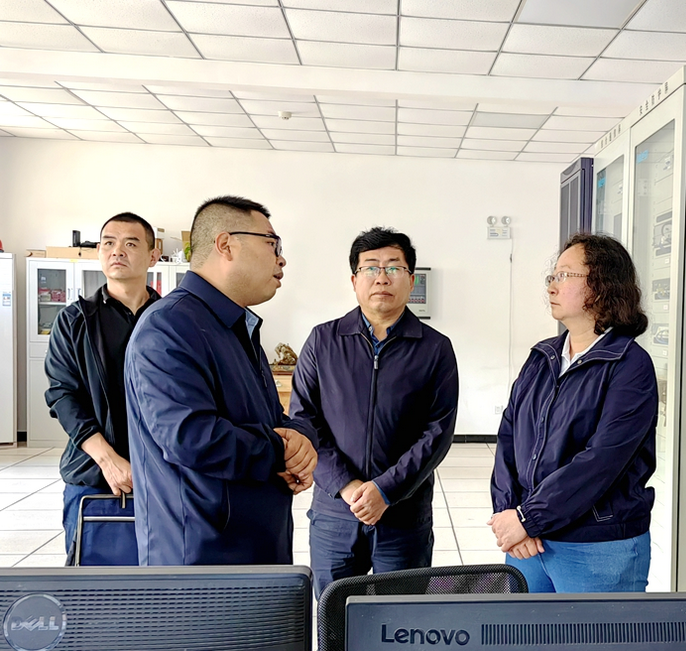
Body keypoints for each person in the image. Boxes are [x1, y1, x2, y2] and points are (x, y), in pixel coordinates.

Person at [125, 195, 317, 565]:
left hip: (253, 542)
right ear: (226, 244)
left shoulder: (235, 326)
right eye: (272, 244)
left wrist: (299, 440)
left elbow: (265, 420)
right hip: (203, 558)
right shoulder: (169, 326)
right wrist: (280, 450)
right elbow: (190, 437)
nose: (281, 259)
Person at [290, 227, 458, 596]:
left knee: (400, 617)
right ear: (354, 280)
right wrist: (346, 485)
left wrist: (385, 490)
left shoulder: (435, 349)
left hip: (403, 514)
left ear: (411, 280)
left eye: (394, 267)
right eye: (370, 268)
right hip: (336, 511)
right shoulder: (323, 341)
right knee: (334, 614)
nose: (382, 277)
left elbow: (438, 432)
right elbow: (304, 420)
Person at [489, 233, 658, 593]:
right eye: (552, 276)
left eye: (565, 275)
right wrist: (509, 512)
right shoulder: (543, 356)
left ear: (601, 285)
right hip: (529, 542)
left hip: (595, 546)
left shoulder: (630, 365)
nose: (552, 285)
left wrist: (528, 518)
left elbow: (601, 461)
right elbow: (508, 437)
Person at [45, 212, 161, 564]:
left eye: (131, 243)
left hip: (164, 476)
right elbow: (62, 395)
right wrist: (109, 460)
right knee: (95, 580)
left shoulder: (172, 319)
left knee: (164, 580)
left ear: (153, 255)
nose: (117, 251)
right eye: (108, 243)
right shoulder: (75, 320)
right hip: (95, 474)